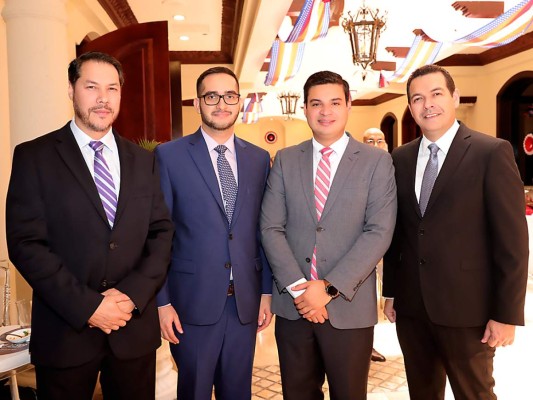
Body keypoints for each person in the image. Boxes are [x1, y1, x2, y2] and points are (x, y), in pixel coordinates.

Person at [5, 51, 174, 399]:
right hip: (67, 332)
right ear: (71, 89)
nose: (103, 98)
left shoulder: (144, 161)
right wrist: (90, 307)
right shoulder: (34, 157)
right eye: (91, 86)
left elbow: (161, 235)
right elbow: (26, 244)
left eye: (112, 88)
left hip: (132, 330)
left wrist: (131, 295)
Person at [383, 64, 529, 400]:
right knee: (422, 393)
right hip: (412, 308)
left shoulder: (490, 152)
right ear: (410, 107)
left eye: (436, 94)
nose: (427, 104)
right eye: (417, 98)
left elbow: (513, 243)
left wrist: (506, 314)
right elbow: (398, 232)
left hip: (470, 311)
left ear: (454, 97)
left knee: (474, 394)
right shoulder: (399, 159)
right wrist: (392, 290)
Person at [261, 70, 397, 400]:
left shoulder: (377, 162)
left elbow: (378, 232)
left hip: (349, 310)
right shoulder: (285, 160)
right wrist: (299, 289)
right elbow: (270, 227)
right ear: (305, 109)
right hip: (294, 308)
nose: (326, 111)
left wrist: (328, 288)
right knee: (298, 394)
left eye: (335, 102)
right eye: (316, 103)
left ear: (349, 104)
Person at [156, 66, 273, 400]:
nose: (221, 103)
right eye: (212, 96)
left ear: (239, 101)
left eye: (230, 96)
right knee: (193, 391)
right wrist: (162, 302)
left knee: (238, 391)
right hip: (191, 302)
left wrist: (265, 292)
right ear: (197, 103)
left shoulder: (259, 159)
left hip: (245, 303)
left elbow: (261, 230)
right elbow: (159, 234)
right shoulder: (169, 156)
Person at [362, 127, 389, 363]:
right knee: (367, 297)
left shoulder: (394, 167)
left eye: (380, 140)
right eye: (370, 140)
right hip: (364, 247)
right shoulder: (356, 169)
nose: (376, 144)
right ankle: (367, 345)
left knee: (387, 295)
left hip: (391, 248)